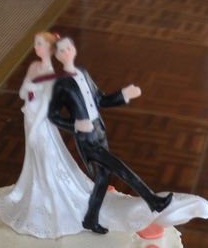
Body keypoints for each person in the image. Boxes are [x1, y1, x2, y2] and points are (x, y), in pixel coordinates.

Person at [47, 36, 172, 234]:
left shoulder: (84, 73)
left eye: (69, 47)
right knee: (119, 167)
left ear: (74, 48)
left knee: (103, 178)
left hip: (100, 131)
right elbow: (53, 115)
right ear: (56, 55)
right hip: (86, 138)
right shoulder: (61, 84)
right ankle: (152, 200)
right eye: (61, 50)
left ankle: (90, 219)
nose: (66, 52)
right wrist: (76, 125)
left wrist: (123, 95)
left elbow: (101, 100)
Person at [0, 32, 94, 238]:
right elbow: (23, 93)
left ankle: (52, 205)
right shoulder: (33, 68)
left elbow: (45, 106)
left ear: (50, 48)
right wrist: (28, 87)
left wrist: (34, 130)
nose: (36, 47)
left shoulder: (51, 73)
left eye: (40, 44)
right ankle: (36, 197)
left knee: (46, 156)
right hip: (28, 116)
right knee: (33, 159)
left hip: (40, 122)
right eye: (35, 44)